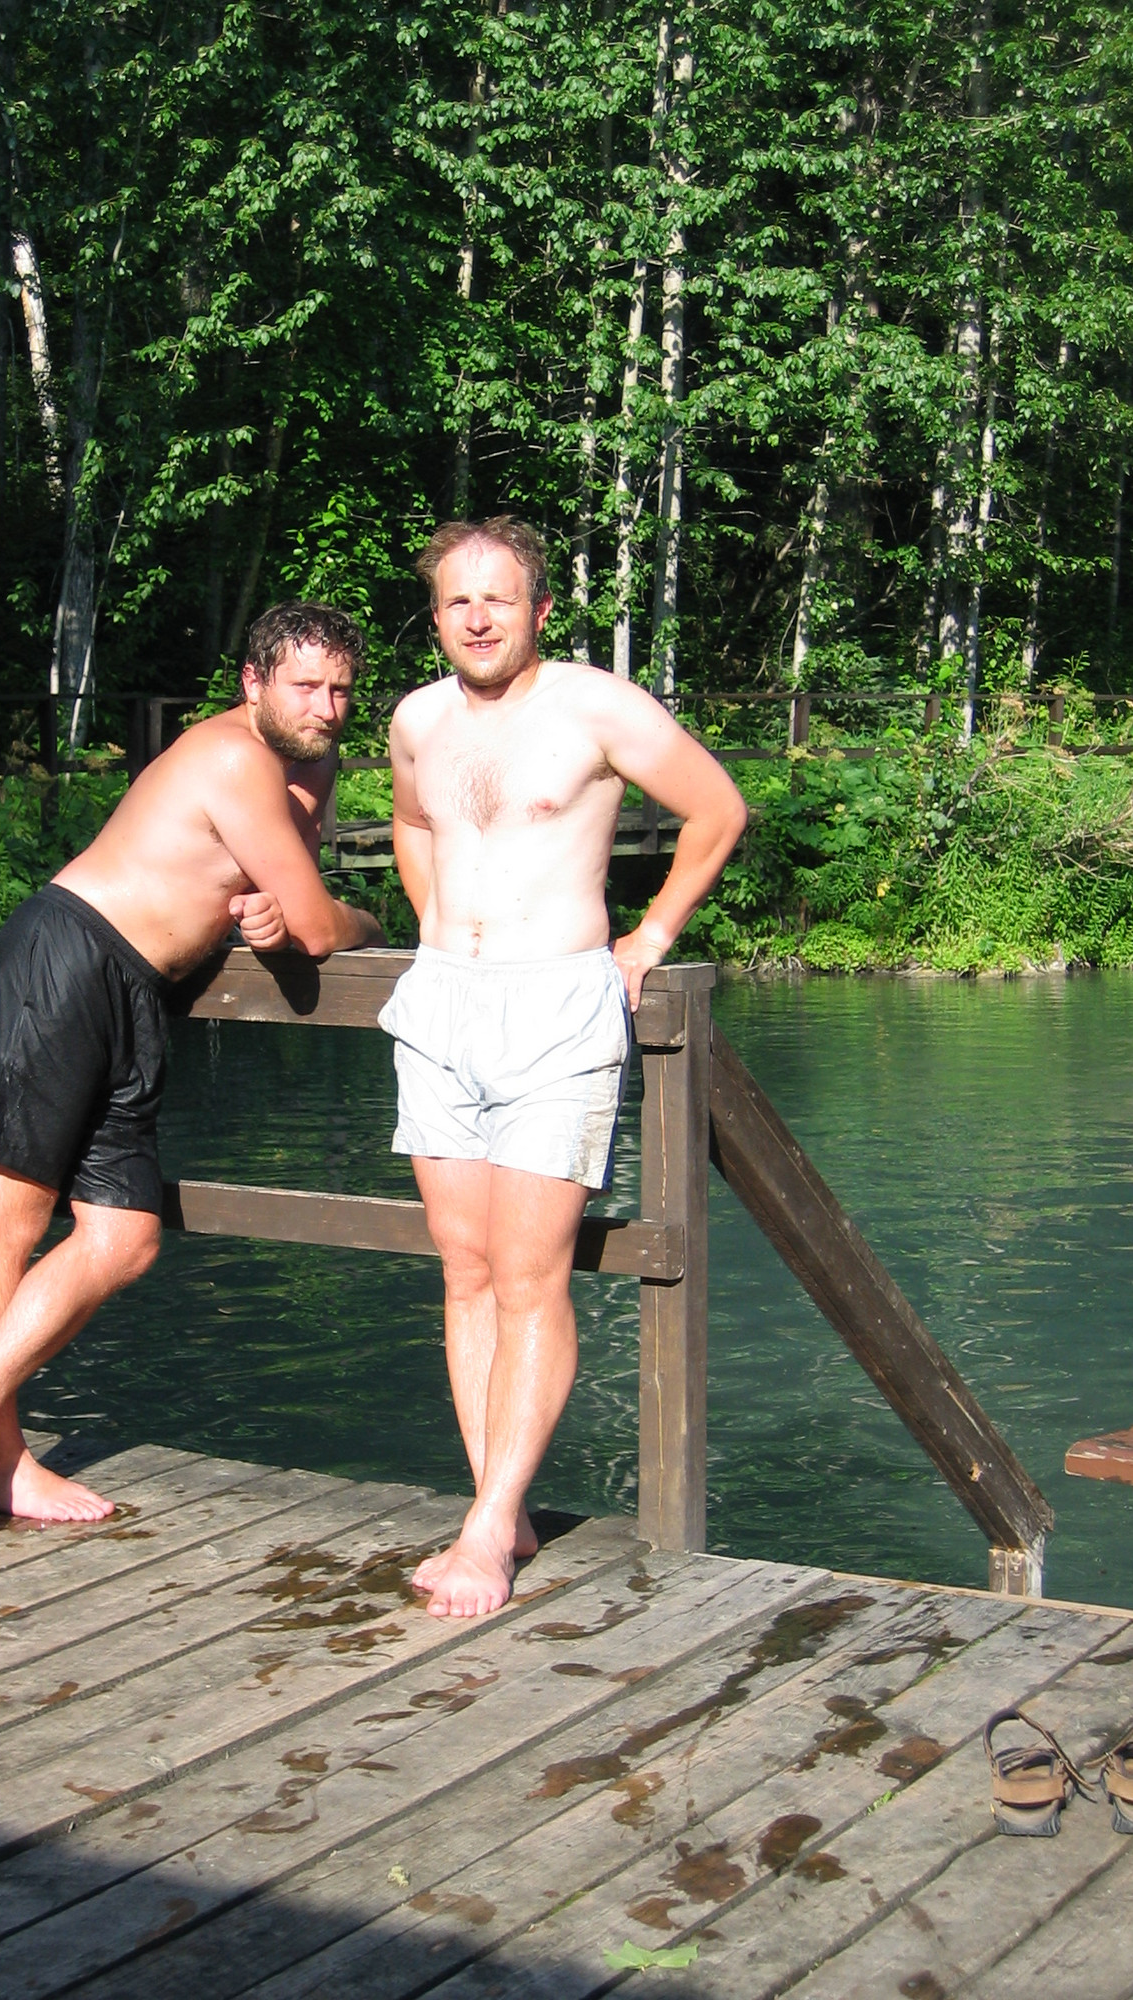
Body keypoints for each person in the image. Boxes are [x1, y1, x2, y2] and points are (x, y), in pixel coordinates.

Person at [0, 602, 384, 1541]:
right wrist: (354, 920)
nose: (326, 708)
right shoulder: (232, 757)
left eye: (340, 690)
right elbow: (323, 923)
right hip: (65, 960)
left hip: (133, 990)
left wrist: (286, 913)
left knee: (124, 1237)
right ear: (253, 682)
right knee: (5, 1221)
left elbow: (286, 904)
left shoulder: (312, 766)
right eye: (305, 686)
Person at [383, 517, 747, 1618]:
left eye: (499, 598)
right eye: (457, 601)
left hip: (558, 1008)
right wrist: (438, 926)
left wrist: (650, 936)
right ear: (436, 617)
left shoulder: (598, 706)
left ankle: (487, 1529)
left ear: (540, 609)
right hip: (442, 1006)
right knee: (463, 1266)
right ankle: (499, 1504)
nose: (478, 618)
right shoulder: (417, 719)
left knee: (530, 1273)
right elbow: (412, 824)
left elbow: (717, 807)